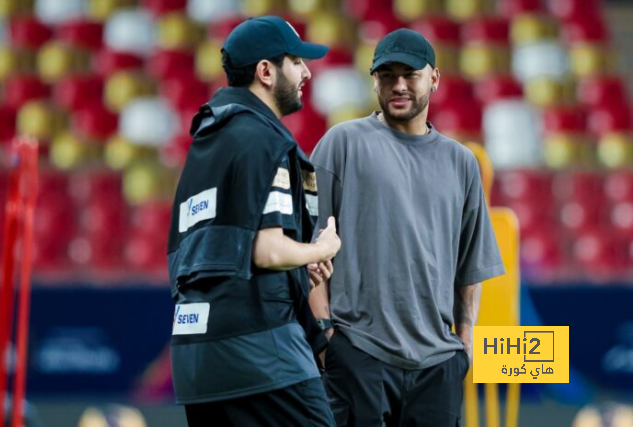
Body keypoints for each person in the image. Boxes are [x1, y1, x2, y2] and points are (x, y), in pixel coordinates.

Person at [309, 28, 506, 426]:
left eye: (410, 74)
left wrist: (463, 346)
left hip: (438, 364)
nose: (398, 85)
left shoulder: (462, 163)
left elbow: (471, 267)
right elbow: (307, 251)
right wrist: (327, 337)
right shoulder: (341, 144)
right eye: (387, 75)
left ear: (434, 78)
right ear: (374, 80)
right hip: (358, 353)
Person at [166, 16, 341, 427]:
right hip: (260, 353)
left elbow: (223, 250)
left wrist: (298, 268)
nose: (307, 72)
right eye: (296, 61)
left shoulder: (206, 141)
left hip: (196, 359)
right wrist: (323, 248)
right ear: (266, 71)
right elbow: (267, 249)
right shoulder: (266, 139)